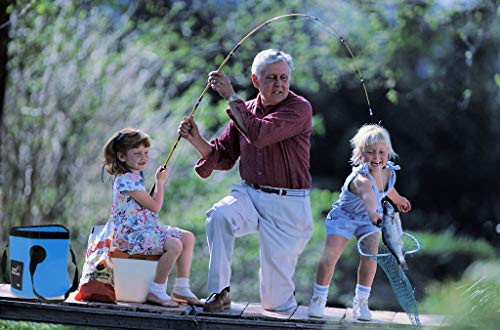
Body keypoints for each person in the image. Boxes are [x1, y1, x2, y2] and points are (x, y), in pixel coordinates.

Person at [178, 49, 313, 312]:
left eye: (284, 78)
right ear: (255, 80)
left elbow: (260, 134)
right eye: (271, 78)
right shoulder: (246, 110)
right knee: (219, 215)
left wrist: (229, 95)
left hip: (288, 207)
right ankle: (220, 292)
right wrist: (195, 139)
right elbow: (224, 156)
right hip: (250, 195)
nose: (279, 84)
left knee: (275, 304)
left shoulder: (299, 108)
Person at [307, 123, 411, 320]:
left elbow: (386, 189)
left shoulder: (387, 171)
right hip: (345, 218)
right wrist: (374, 214)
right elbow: (369, 197)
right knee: (330, 256)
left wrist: (399, 200)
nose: (377, 157)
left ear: (388, 152)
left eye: (381, 152)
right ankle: (318, 298)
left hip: (369, 219)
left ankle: (361, 301)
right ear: (360, 154)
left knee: (371, 256)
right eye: (370, 152)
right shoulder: (361, 179)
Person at [102, 128, 203, 307]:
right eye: (138, 153)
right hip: (131, 236)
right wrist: (160, 183)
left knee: (187, 237)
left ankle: (181, 287)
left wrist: (158, 183)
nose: (143, 158)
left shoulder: (134, 177)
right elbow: (155, 206)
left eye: (146, 153)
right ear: (122, 157)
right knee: (174, 245)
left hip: (146, 229)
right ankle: (156, 290)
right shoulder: (126, 180)